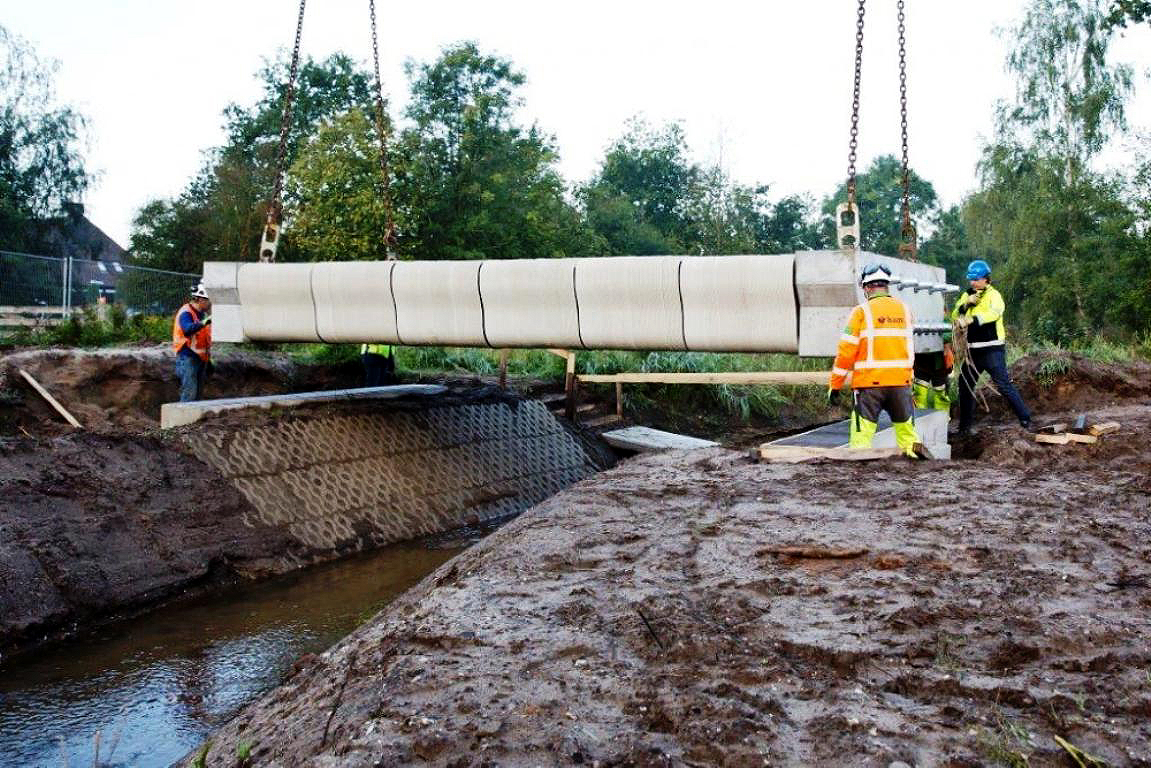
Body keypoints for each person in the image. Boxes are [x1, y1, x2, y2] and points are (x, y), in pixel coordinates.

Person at [827, 263, 921, 457]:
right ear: (886, 286)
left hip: (869, 386)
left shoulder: (861, 312)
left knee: (861, 440)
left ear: (867, 287)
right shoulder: (905, 310)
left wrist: (835, 385)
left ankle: (859, 480)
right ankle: (920, 478)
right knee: (908, 438)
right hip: (900, 384)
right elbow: (910, 349)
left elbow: (846, 352)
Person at [952, 260, 1032, 435]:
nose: (972, 282)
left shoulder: (994, 295)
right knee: (965, 385)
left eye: (975, 279)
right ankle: (964, 428)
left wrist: (973, 319)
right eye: (970, 279)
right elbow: (954, 314)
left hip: (992, 350)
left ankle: (1025, 419)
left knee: (1003, 385)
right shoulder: (968, 295)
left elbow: (995, 312)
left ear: (985, 279)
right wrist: (965, 305)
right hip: (972, 351)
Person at [173, 284, 212, 402]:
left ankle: (194, 420)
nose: (210, 304)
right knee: (189, 393)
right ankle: (182, 419)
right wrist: (205, 322)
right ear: (200, 299)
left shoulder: (203, 314)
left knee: (197, 395)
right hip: (187, 356)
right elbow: (187, 329)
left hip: (200, 358)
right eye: (209, 301)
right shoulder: (186, 312)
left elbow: (204, 338)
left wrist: (209, 360)